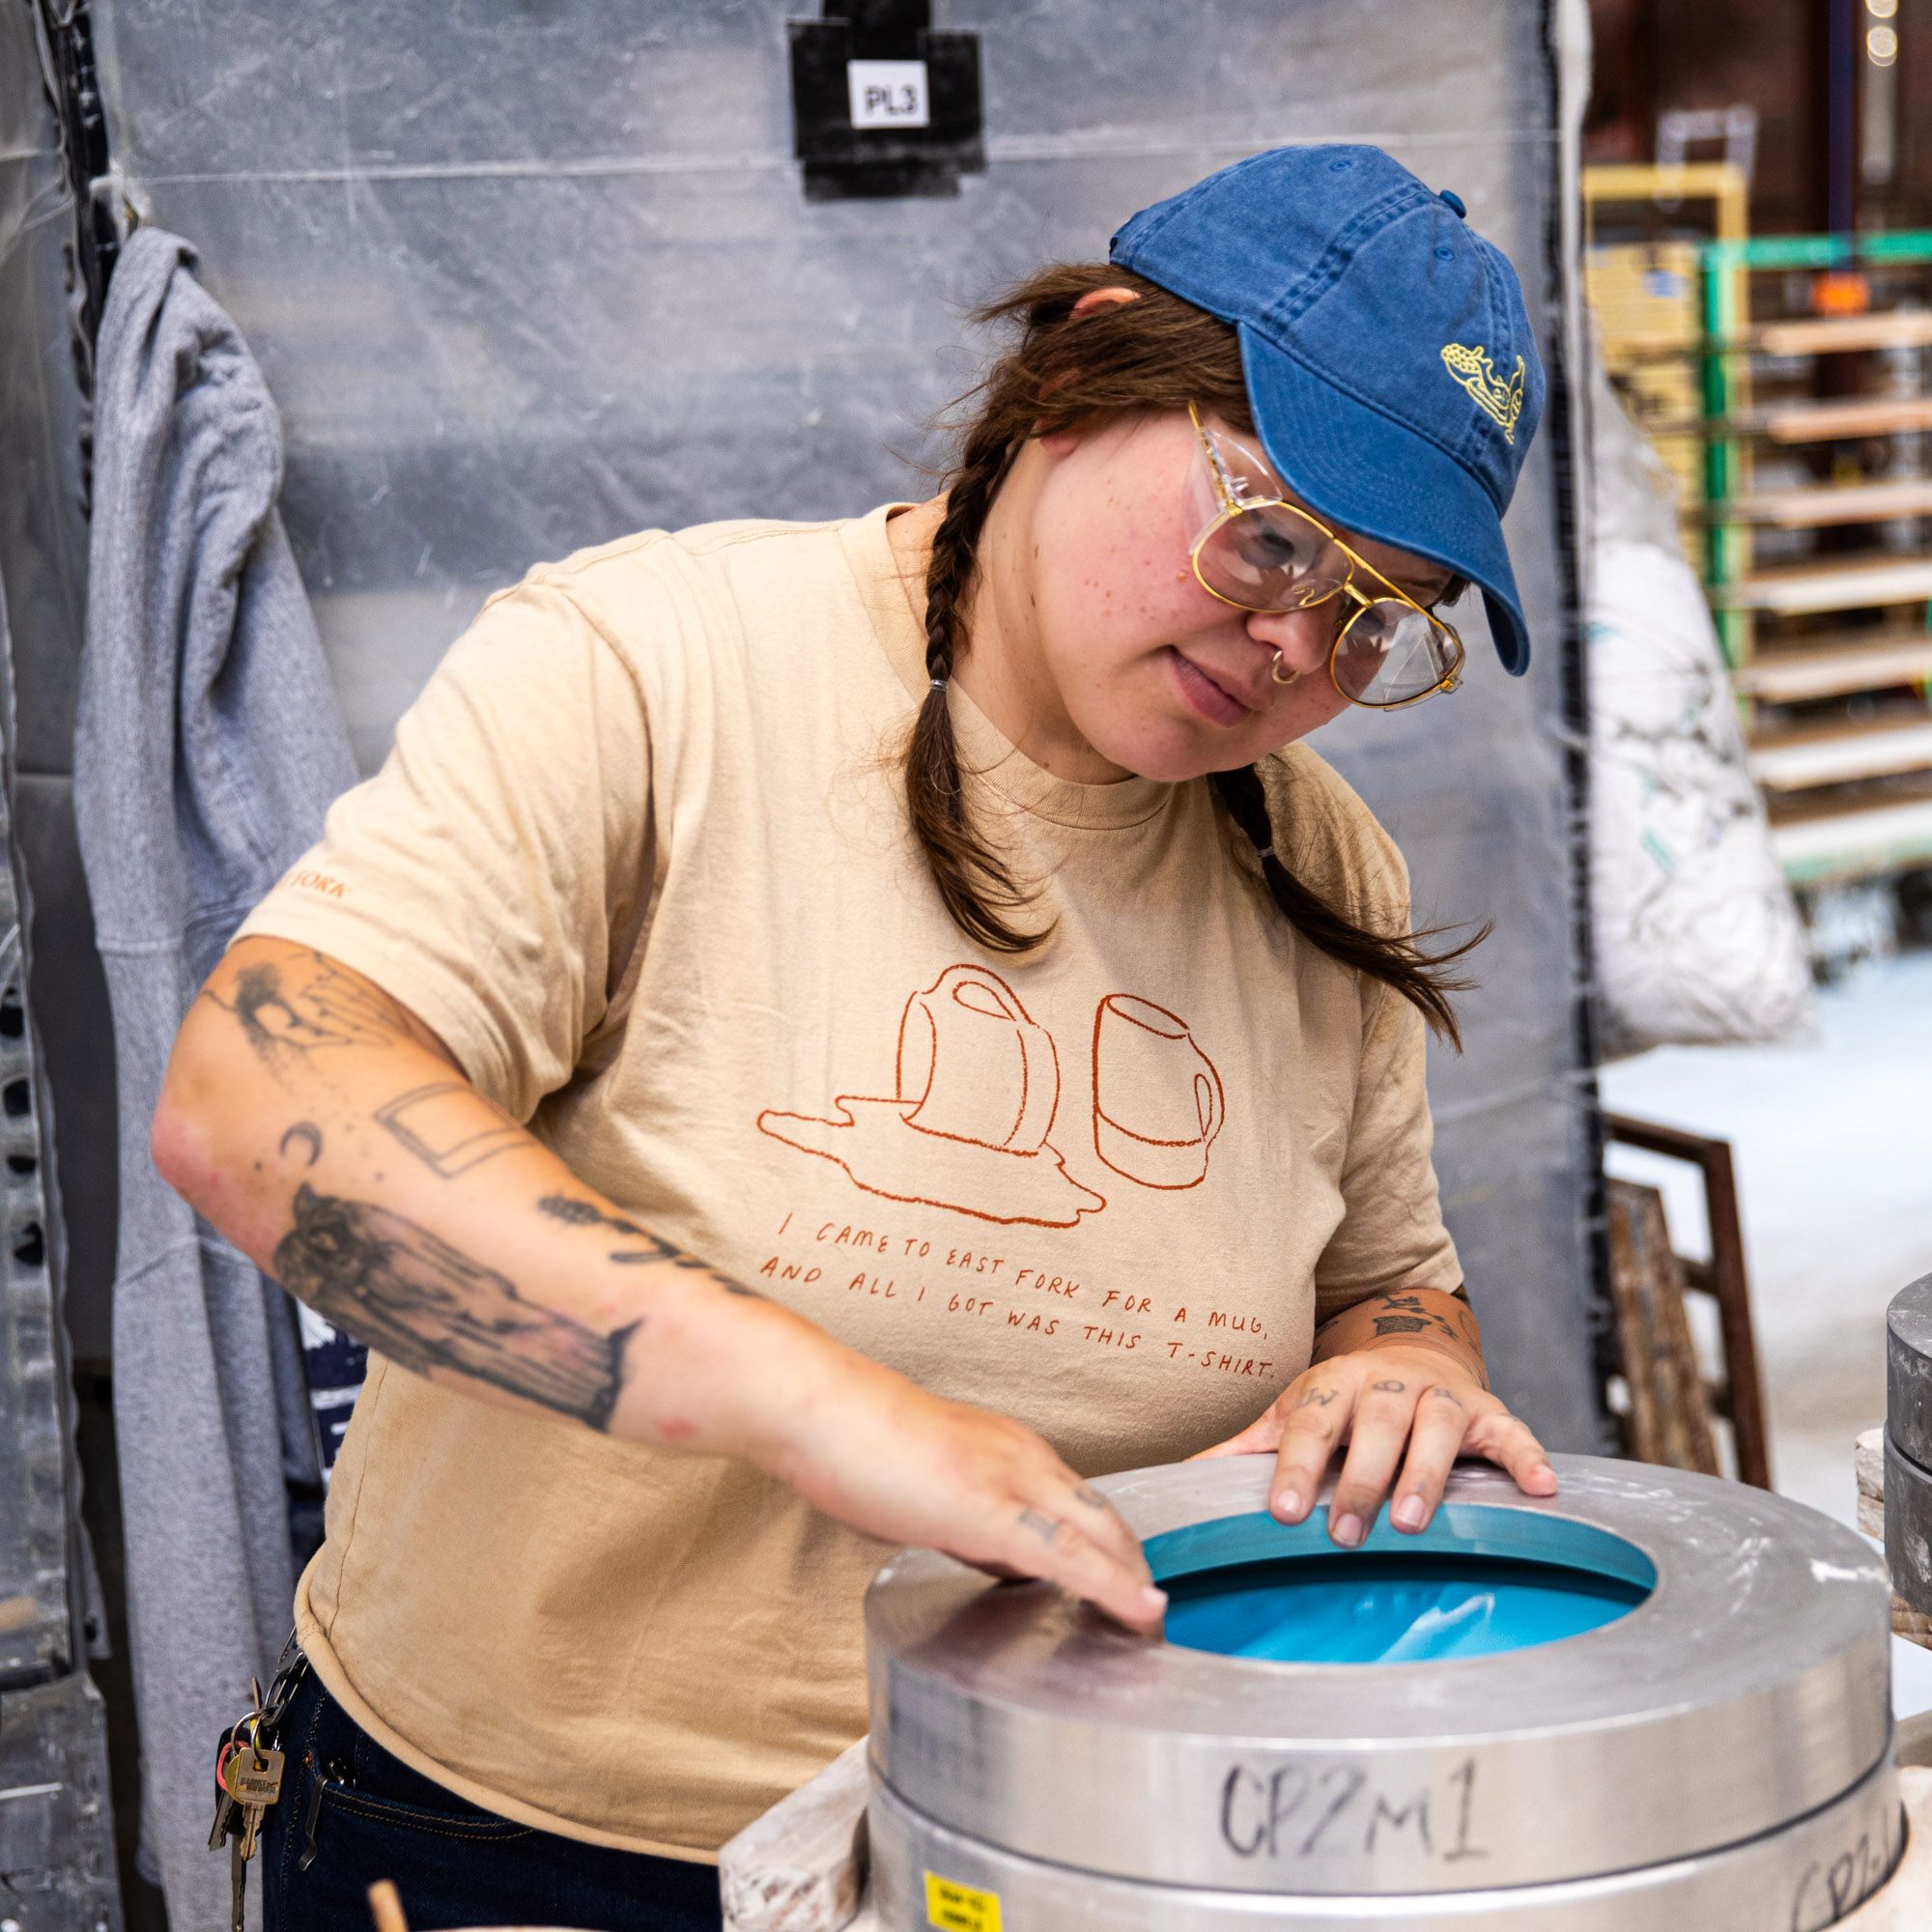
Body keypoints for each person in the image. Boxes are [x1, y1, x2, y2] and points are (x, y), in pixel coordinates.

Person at [156, 143, 1559, 1931]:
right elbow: (251, 1102)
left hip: (1073, 1838)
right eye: (1272, 533)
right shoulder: (653, 672)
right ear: (1081, 368)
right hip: (532, 1848)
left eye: (1380, 618)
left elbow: (1383, 1279)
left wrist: (1410, 1366)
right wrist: (842, 1418)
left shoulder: (1313, 856)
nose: (1295, 643)